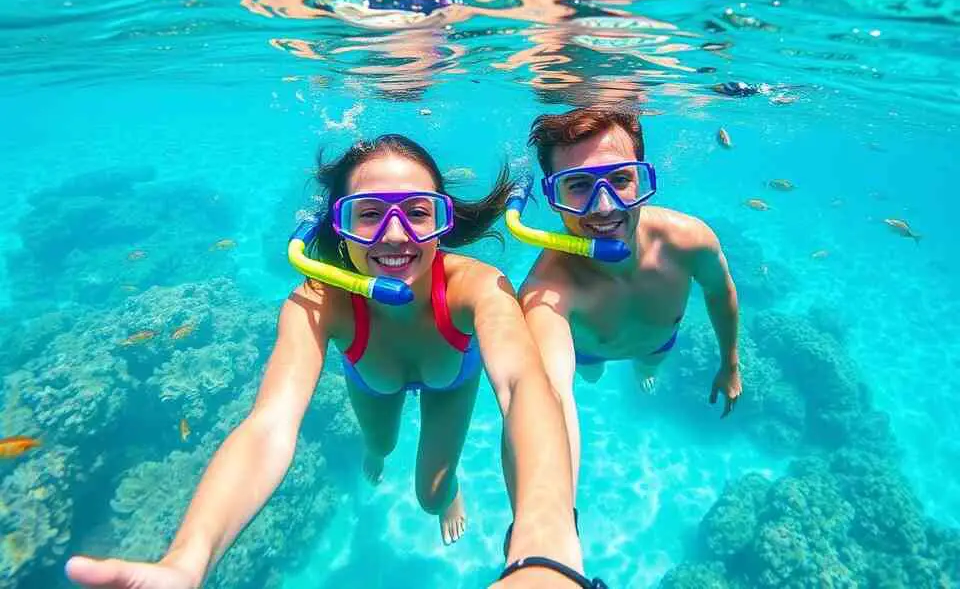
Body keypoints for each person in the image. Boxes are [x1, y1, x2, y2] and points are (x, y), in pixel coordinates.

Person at [65, 134, 582, 589]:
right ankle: (381, 456)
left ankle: (448, 494)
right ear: (340, 227)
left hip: (451, 384)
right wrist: (187, 562)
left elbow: (523, 385)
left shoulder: (477, 286)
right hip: (373, 383)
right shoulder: (317, 302)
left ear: (443, 221)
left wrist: (546, 544)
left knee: (429, 494)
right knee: (378, 447)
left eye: (418, 212)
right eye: (371, 213)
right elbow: (269, 426)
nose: (396, 235)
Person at [518, 106, 742, 497]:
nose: (604, 207)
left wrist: (730, 364)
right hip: (589, 354)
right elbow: (551, 393)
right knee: (587, 375)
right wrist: (554, 509)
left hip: (656, 344)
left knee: (650, 362)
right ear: (554, 197)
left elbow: (720, 291)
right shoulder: (547, 288)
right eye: (579, 185)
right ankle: (599, 371)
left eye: (620, 179)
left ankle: (643, 369)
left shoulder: (689, 241)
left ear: (641, 179)